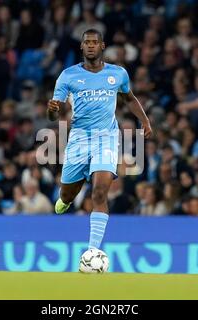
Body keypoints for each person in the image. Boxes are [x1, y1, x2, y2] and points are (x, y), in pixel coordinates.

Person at [47, 29, 152, 255]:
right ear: (82, 47)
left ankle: (92, 252)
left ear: (102, 46)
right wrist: (52, 111)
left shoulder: (118, 74)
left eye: (95, 42)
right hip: (78, 139)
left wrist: (144, 120)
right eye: (87, 42)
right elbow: (54, 113)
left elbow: (129, 98)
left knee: (99, 193)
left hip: (106, 138)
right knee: (67, 195)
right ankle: (65, 199)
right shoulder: (68, 76)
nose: (91, 46)